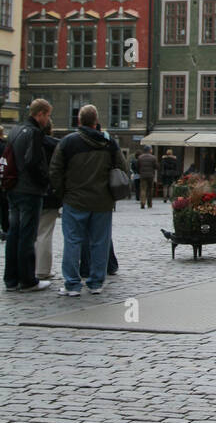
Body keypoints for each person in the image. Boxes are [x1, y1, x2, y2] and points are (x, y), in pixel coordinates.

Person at [49, 104, 126, 295]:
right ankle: (96, 283)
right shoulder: (109, 142)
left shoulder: (68, 142)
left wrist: (62, 193)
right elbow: (122, 168)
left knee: (73, 241)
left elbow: (55, 171)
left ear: (79, 120)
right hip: (102, 201)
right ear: (96, 121)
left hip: (75, 200)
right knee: (100, 242)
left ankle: (72, 284)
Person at [4, 98, 53, 292]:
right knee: (27, 235)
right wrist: (44, 181)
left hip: (13, 188)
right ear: (40, 114)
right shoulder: (33, 133)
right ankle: (27, 279)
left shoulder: (15, 130)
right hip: (29, 190)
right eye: (47, 115)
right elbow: (33, 162)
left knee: (13, 234)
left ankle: (11, 279)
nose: (48, 119)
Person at [35, 121, 61, 280]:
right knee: (45, 232)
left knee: (32, 232)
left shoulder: (29, 142)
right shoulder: (55, 145)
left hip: (30, 192)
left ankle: (30, 266)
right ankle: (43, 269)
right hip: (50, 194)